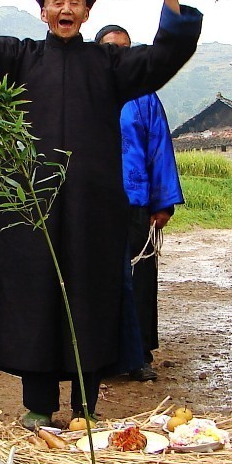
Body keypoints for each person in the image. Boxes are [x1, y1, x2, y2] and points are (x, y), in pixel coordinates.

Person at [0, 0, 201, 429]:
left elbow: (163, 57)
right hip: (29, 204)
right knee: (33, 294)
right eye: (57, 1)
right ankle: (37, 407)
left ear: (86, 13)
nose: (66, 9)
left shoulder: (111, 63)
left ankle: (85, 408)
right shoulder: (17, 58)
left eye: (75, 2)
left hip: (95, 207)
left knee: (91, 295)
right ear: (42, 11)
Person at [95, 24, 183, 382]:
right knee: (96, 276)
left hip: (136, 200)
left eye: (125, 48)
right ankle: (97, 353)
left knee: (140, 276)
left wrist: (162, 203)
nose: (118, 53)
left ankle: (138, 353)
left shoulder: (145, 96)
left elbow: (159, 147)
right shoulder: (87, 91)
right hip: (95, 201)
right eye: (110, 48)